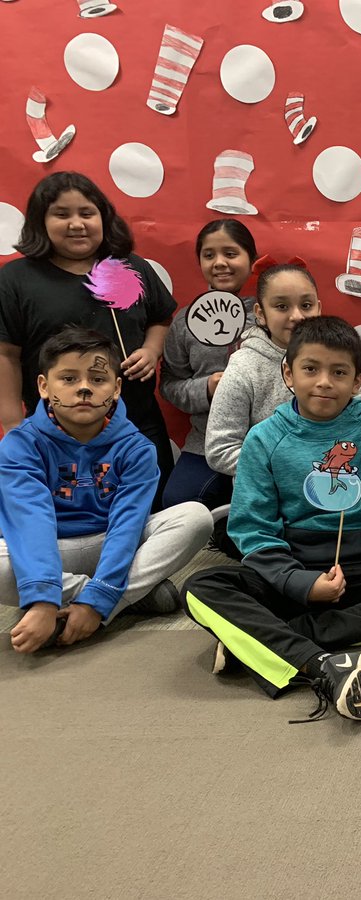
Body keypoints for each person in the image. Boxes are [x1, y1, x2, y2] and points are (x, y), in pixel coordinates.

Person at [182, 317, 361, 723]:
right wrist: (300, 583)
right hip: (287, 564)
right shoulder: (264, 438)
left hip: (355, 563)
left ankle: (261, 639)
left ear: (357, 382)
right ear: (288, 374)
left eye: (339, 372)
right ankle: (317, 662)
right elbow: (252, 528)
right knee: (201, 587)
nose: (324, 382)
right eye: (310, 369)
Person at [0, 328, 212, 653]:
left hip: (112, 544)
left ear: (116, 389)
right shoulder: (21, 444)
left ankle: (93, 601)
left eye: (97, 379)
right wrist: (42, 598)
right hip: (50, 547)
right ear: (43, 386)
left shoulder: (136, 448)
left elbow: (127, 525)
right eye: (68, 378)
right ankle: (130, 596)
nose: (84, 388)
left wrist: (94, 605)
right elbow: (30, 520)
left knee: (195, 517)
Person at [0, 172, 177, 506]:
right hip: (54, 433)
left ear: (103, 218)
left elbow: (160, 317)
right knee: (68, 516)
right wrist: (12, 426)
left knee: (147, 511)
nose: (77, 224)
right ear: (41, 221)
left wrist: (151, 349)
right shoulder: (16, 280)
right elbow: (5, 354)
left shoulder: (130, 266)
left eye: (86, 213)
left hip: (136, 422)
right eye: (61, 214)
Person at [160, 220, 257, 508]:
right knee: (177, 503)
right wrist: (207, 387)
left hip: (264, 439)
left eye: (231, 253)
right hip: (205, 441)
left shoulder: (270, 313)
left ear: (251, 259)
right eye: (209, 255)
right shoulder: (185, 321)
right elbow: (170, 384)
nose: (220, 263)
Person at [204, 261, 320, 479]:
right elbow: (220, 450)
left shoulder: (339, 358)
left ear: (319, 308)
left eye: (306, 305)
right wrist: (291, 465)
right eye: (282, 307)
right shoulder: (244, 367)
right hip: (268, 490)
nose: (297, 316)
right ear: (260, 313)